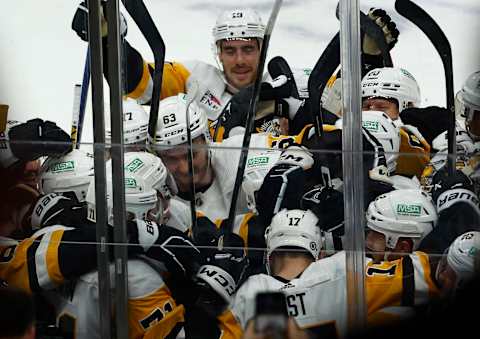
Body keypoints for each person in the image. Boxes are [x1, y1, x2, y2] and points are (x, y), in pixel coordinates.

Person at [71, 3, 398, 140]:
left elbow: (355, 99)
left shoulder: (294, 82)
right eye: (230, 50)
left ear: (261, 49)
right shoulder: (193, 78)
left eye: (248, 49)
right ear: (219, 52)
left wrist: (367, 56)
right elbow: (138, 82)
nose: (239, 60)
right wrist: (107, 40)